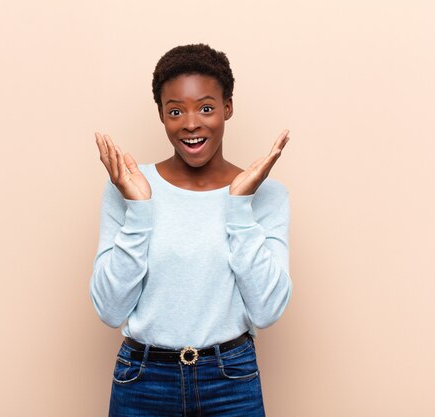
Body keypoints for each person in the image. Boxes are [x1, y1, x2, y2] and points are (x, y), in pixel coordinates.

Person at [90, 44, 292, 417]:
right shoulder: (128, 187)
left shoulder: (266, 195)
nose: (191, 123)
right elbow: (109, 309)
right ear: (162, 115)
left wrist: (239, 208)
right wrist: (138, 209)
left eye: (206, 108)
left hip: (231, 379)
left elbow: (266, 311)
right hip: (142, 381)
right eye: (176, 111)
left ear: (228, 107)